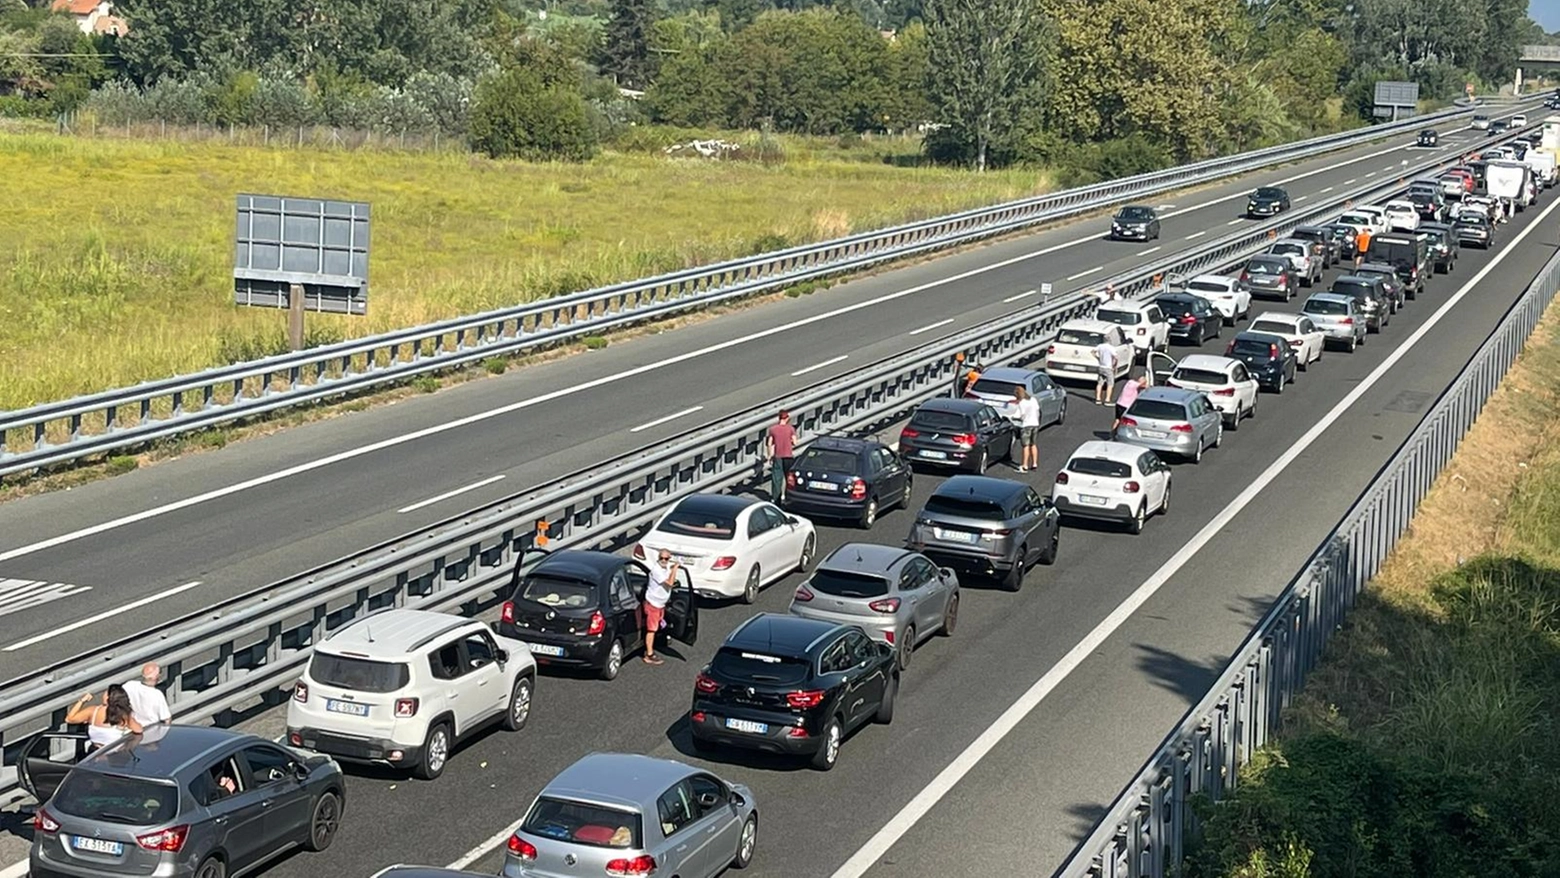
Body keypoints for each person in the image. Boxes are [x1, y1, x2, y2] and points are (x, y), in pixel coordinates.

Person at [65, 684, 143, 749]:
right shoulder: (123, 715)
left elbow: (69, 719)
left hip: (94, 751)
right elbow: (138, 730)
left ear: (107, 697)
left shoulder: (93, 711)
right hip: (115, 752)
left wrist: (82, 701)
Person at [642, 550, 678, 666]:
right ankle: (649, 654)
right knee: (651, 630)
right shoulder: (656, 570)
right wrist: (675, 569)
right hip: (654, 604)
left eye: (666, 559)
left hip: (660, 604)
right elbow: (670, 583)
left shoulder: (665, 568)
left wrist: (671, 569)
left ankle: (657, 642)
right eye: (661, 558)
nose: (663, 560)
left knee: (658, 626)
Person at [123, 662, 171, 728]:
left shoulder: (130, 685)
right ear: (158, 676)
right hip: (152, 729)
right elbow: (166, 718)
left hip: (134, 727)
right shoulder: (157, 694)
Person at [765, 410, 798, 503]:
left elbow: (769, 444)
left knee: (776, 478)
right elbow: (795, 442)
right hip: (788, 456)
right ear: (787, 418)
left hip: (778, 456)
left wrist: (769, 455)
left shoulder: (773, 429)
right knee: (788, 478)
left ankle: (776, 499)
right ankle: (788, 497)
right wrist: (789, 441)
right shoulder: (791, 429)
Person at [1010, 386, 1041, 473]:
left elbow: (1019, 415)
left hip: (1026, 425)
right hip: (1035, 424)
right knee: (1033, 444)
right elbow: (1038, 409)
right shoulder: (1033, 400)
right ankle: (1034, 464)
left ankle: (1024, 465)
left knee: (1025, 446)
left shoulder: (1022, 403)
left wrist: (1012, 417)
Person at [1094, 338, 1119, 406]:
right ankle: (1107, 400)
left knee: (1100, 383)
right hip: (1108, 367)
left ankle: (1098, 399)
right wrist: (1114, 365)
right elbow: (1116, 357)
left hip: (1101, 366)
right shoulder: (1111, 348)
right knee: (1110, 384)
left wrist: (1098, 358)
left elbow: (1093, 351)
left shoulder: (1100, 346)